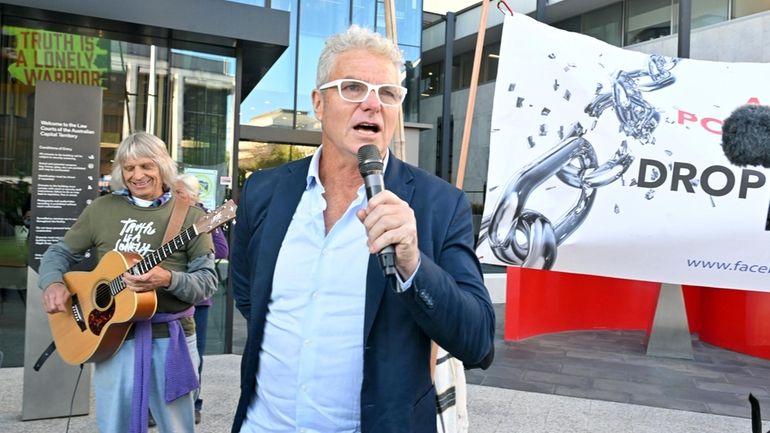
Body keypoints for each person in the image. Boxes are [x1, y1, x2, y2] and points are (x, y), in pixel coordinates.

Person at [231, 25, 495, 433]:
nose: (372, 105)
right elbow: (250, 294)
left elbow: (477, 341)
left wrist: (412, 262)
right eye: (353, 88)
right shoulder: (265, 191)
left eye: (388, 93)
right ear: (319, 103)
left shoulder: (438, 204)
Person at [39, 132, 217, 433]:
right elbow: (59, 252)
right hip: (110, 335)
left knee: (177, 427)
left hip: (170, 336)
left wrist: (168, 278)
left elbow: (206, 282)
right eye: (128, 167)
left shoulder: (191, 216)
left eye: (146, 166)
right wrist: (53, 282)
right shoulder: (101, 209)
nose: (137, 175)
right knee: (115, 426)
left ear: (162, 166)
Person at [173, 173, 230, 425]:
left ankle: (194, 403)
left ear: (192, 196)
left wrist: (203, 232)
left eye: (179, 192)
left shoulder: (205, 217)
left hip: (198, 299)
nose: (174, 196)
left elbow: (223, 250)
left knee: (195, 354)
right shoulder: (166, 214)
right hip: (167, 295)